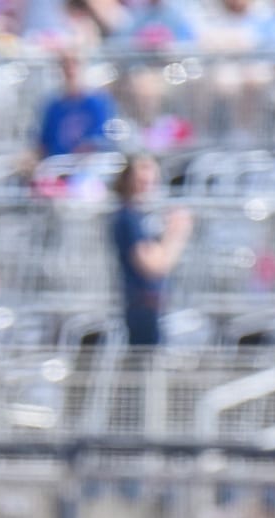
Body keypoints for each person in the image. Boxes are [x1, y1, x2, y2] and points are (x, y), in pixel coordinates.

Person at [112, 153, 191, 347]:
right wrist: (177, 233)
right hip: (141, 301)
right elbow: (152, 265)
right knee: (144, 360)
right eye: (142, 168)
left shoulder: (142, 215)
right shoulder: (128, 216)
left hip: (151, 302)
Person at [36, 50, 118, 158]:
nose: (70, 69)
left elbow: (102, 139)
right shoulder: (54, 107)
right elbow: (44, 143)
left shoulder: (98, 103)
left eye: (74, 63)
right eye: (65, 64)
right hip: (57, 167)